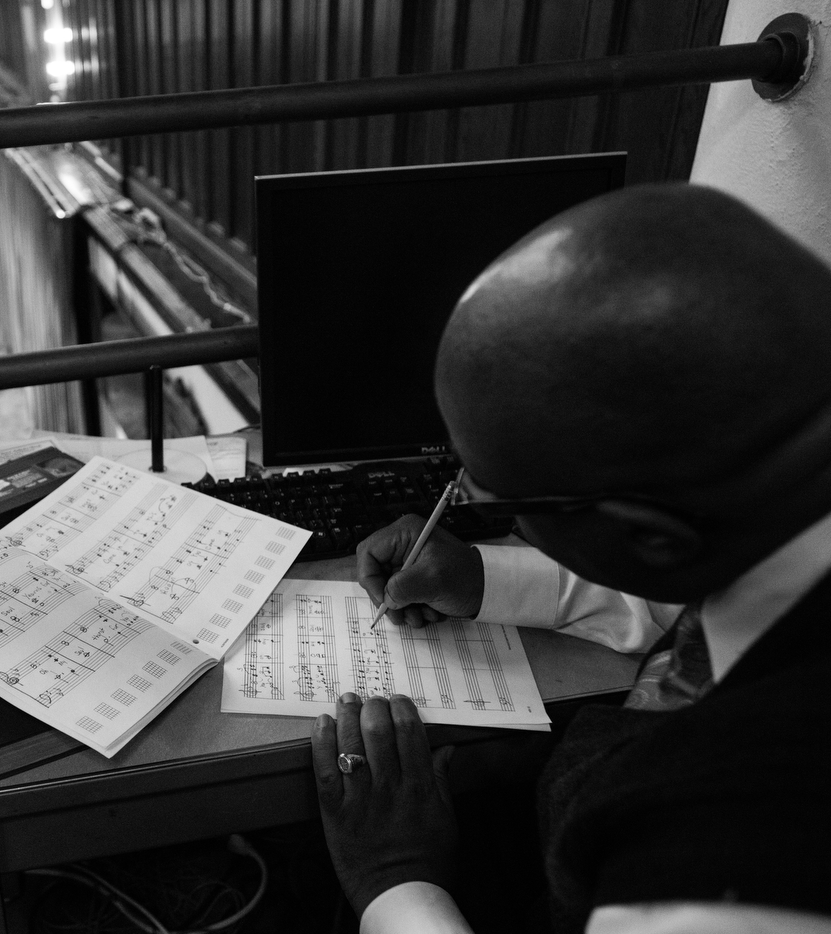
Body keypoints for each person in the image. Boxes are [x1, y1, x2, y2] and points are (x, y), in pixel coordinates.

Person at [314, 184, 831, 934]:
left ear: (649, 536)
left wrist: (397, 884)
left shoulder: (723, 866)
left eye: (502, 508)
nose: (483, 512)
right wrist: (486, 575)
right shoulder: (777, 482)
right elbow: (690, 584)